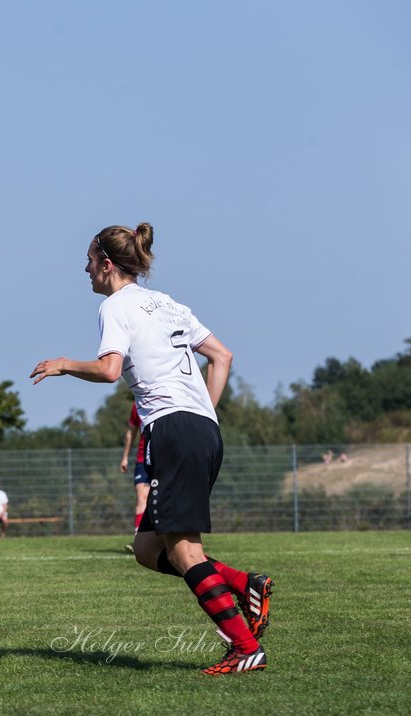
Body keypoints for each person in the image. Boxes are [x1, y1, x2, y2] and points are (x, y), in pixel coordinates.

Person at [30, 222, 272, 676]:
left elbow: (108, 370)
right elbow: (223, 357)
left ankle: (244, 647)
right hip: (201, 428)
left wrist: (63, 364)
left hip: (173, 429)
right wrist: (201, 412)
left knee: (184, 552)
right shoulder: (170, 303)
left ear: (106, 263)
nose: (84, 270)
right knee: (146, 548)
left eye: (87, 261)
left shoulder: (116, 307)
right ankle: (244, 583)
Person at [120, 403, 150, 552]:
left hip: (165, 459)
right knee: (141, 498)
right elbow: (131, 432)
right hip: (142, 460)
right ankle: (139, 541)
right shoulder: (137, 405)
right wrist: (125, 457)